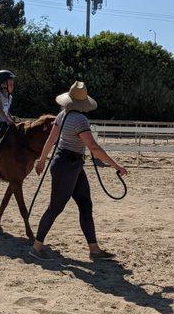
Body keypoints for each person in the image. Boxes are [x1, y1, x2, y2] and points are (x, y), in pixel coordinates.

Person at [29, 81, 128, 262]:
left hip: (68, 164)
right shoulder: (80, 120)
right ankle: (36, 248)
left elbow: (51, 140)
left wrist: (42, 160)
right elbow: (94, 147)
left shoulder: (62, 115)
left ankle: (94, 250)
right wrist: (117, 166)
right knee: (55, 207)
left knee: (85, 204)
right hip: (69, 166)